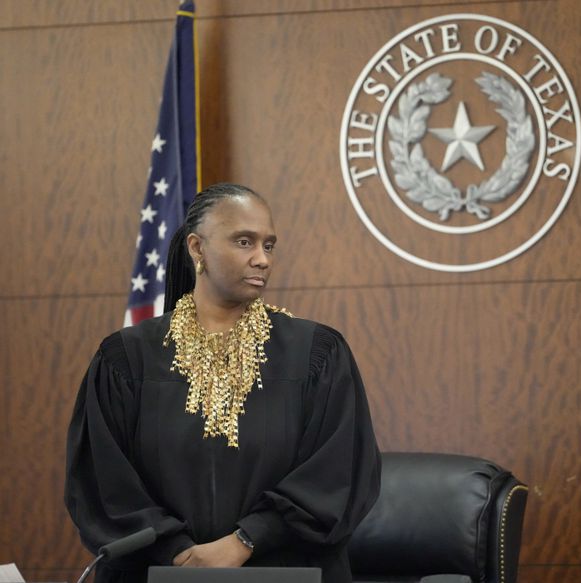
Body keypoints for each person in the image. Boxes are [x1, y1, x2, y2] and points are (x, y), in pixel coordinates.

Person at [65, 183, 381, 583]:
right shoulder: (126, 358)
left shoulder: (316, 353)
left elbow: (338, 473)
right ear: (197, 249)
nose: (262, 259)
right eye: (244, 242)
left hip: (284, 570)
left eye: (269, 245)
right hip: (157, 572)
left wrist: (244, 541)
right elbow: (103, 481)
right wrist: (179, 556)